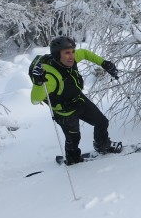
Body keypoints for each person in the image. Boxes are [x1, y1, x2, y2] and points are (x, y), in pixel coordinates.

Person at [30, 36, 121, 165]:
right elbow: (34, 99)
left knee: (102, 122)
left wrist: (103, 63)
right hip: (64, 112)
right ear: (57, 55)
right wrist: (39, 83)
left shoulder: (70, 61)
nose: (71, 56)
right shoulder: (50, 77)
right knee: (73, 138)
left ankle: (102, 145)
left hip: (78, 100)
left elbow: (84, 53)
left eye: (72, 51)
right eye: (67, 53)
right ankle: (73, 160)